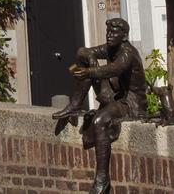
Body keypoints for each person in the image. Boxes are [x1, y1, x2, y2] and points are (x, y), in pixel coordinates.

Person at [52, 17, 147, 194]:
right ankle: (74, 105)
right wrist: (89, 58)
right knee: (86, 58)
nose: (110, 35)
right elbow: (83, 52)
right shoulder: (111, 48)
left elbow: (113, 70)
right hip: (116, 96)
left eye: (114, 32)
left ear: (124, 36)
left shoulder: (127, 53)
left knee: (99, 121)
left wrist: (88, 71)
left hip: (131, 103)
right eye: (108, 32)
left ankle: (102, 179)